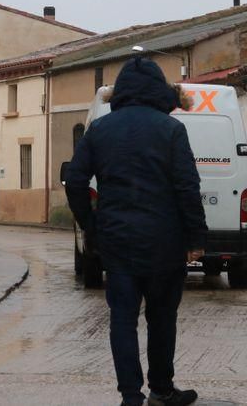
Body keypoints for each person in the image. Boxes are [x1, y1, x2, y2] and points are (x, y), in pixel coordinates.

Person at [65, 56, 207, 406]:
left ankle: (131, 396)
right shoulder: (171, 129)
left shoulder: (100, 130)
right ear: (160, 91)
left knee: (123, 320)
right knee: (162, 319)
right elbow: (187, 187)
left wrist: (91, 225)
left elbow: (75, 180)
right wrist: (195, 238)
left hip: (117, 242)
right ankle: (162, 389)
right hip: (166, 242)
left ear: (121, 92)